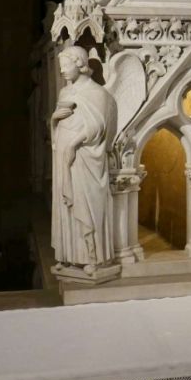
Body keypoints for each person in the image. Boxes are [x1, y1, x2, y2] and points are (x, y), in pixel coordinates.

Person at [50, 47, 117, 272]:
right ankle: (67, 255)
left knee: (84, 203)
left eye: (65, 66)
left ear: (79, 63)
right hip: (63, 154)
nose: (62, 71)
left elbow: (99, 126)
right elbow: (57, 126)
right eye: (60, 67)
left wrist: (74, 143)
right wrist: (53, 120)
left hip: (84, 154)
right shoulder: (65, 92)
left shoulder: (97, 93)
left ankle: (92, 257)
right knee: (65, 204)